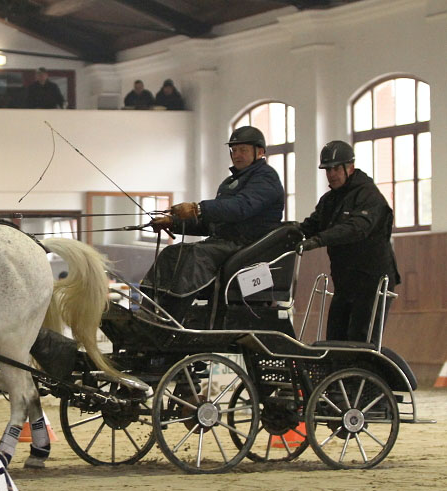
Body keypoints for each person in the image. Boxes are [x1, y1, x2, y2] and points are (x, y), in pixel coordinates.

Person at [143, 126, 285, 323]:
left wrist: (197, 208)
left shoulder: (266, 177)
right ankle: (148, 312)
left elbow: (241, 207)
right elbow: (213, 222)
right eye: (234, 150)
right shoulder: (231, 182)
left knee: (195, 255)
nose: (237, 155)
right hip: (224, 243)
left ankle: (173, 319)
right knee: (170, 254)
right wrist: (173, 222)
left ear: (259, 152)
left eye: (243, 150)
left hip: (248, 246)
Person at [300, 141, 401, 343]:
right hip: (345, 283)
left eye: (336, 168)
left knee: (360, 341)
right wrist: (285, 232)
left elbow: (357, 228)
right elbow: (309, 226)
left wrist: (319, 240)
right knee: (334, 341)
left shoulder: (369, 196)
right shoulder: (329, 200)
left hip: (372, 283)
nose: (331, 174)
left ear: (350, 167)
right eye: (327, 170)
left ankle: (361, 374)